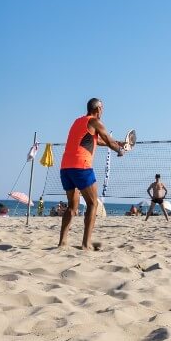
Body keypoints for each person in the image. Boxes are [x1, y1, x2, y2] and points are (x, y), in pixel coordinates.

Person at [58, 98, 127, 250]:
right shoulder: (95, 121)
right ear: (98, 109)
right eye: (102, 108)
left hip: (65, 167)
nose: (103, 111)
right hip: (81, 166)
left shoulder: (78, 121)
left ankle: (62, 242)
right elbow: (107, 139)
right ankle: (86, 243)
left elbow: (98, 140)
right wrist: (120, 150)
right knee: (92, 204)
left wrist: (119, 143)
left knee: (72, 206)